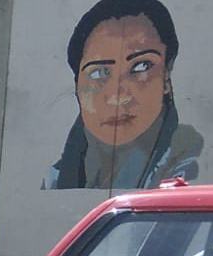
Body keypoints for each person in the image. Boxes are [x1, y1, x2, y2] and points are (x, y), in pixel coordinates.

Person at [45, 0, 201, 190]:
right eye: (99, 73)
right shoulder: (55, 179)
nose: (118, 96)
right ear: (77, 86)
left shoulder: (190, 168)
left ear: (166, 77)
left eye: (141, 66)